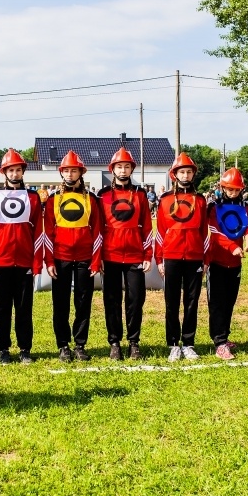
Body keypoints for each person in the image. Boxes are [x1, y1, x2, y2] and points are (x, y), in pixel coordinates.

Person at [0, 149, 44, 365]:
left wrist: (37, 263)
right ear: (4, 173)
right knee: (2, 309)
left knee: (24, 309)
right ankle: (3, 349)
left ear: (23, 172)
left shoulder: (33, 198)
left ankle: (25, 349)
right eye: (11, 170)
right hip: (1, 263)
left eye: (18, 170)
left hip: (25, 263)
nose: (15, 174)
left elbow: (39, 233)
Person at [43, 151, 102, 362]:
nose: (70, 174)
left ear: (80, 173)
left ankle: (80, 344)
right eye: (66, 170)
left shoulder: (90, 199)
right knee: (60, 303)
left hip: (85, 258)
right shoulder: (53, 199)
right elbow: (48, 233)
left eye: (73, 170)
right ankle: (63, 346)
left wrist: (96, 260)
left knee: (83, 302)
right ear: (62, 173)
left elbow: (97, 232)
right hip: (61, 258)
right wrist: (49, 261)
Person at [97, 147, 153, 360]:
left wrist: (148, 255)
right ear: (113, 169)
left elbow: (147, 226)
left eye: (126, 166)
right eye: (119, 167)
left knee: (135, 299)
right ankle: (114, 343)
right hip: (110, 256)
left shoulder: (140, 195)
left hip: (134, 256)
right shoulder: (102, 196)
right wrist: (98, 256)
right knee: (111, 300)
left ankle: (133, 342)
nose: (123, 170)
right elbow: (98, 229)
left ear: (131, 169)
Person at [155, 153, 208, 362]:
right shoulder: (166, 200)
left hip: (195, 257)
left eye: (188, 172)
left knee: (192, 302)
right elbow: (159, 232)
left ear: (193, 174)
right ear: (174, 174)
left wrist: (205, 260)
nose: (185, 175)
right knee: (172, 302)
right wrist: (159, 260)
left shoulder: (201, 200)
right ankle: (173, 344)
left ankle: (188, 343)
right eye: (181, 172)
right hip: (171, 256)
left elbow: (204, 232)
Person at [206, 167, 248, 360]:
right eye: (229, 189)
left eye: (236, 189)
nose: (233, 193)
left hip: (235, 264)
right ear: (223, 188)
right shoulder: (214, 207)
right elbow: (215, 233)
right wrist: (232, 247)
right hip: (217, 261)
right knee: (217, 303)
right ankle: (219, 342)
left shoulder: (244, 207)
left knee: (229, 302)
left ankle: (225, 336)